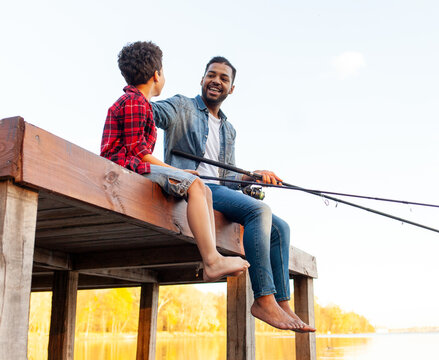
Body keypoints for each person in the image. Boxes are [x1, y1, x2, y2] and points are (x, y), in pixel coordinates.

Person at [152, 56, 316, 332]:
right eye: (211, 75)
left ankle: (282, 302)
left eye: (224, 78)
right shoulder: (181, 106)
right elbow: (150, 113)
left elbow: (226, 181)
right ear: (202, 80)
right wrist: (142, 89)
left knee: (281, 229)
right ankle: (263, 299)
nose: (216, 81)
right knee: (259, 210)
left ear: (232, 88)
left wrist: (249, 177)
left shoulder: (229, 130)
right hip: (192, 188)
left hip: (218, 190)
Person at [100, 42, 249, 282]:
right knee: (195, 184)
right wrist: (176, 171)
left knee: (203, 191)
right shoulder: (136, 102)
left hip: (134, 164)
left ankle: (212, 257)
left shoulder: (137, 102)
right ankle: (212, 261)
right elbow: (138, 153)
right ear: (157, 75)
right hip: (126, 168)